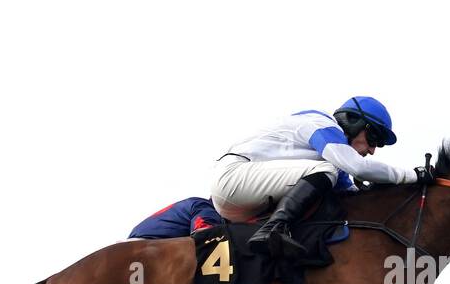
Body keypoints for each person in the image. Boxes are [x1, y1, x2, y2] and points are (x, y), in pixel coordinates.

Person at [211, 96, 428, 259]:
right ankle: (273, 229)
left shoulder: (334, 160)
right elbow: (357, 167)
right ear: (352, 121)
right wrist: (412, 175)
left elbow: (352, 197)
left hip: (245, 198)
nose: (372, 150)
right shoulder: (322, 124)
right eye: (373, 138)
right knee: (327, 170)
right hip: (233, 178)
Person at [127, 197, 221, 240]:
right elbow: (204, 236)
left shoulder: (195, 201)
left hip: (128, 243)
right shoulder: (206, 207)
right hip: (148, 248)